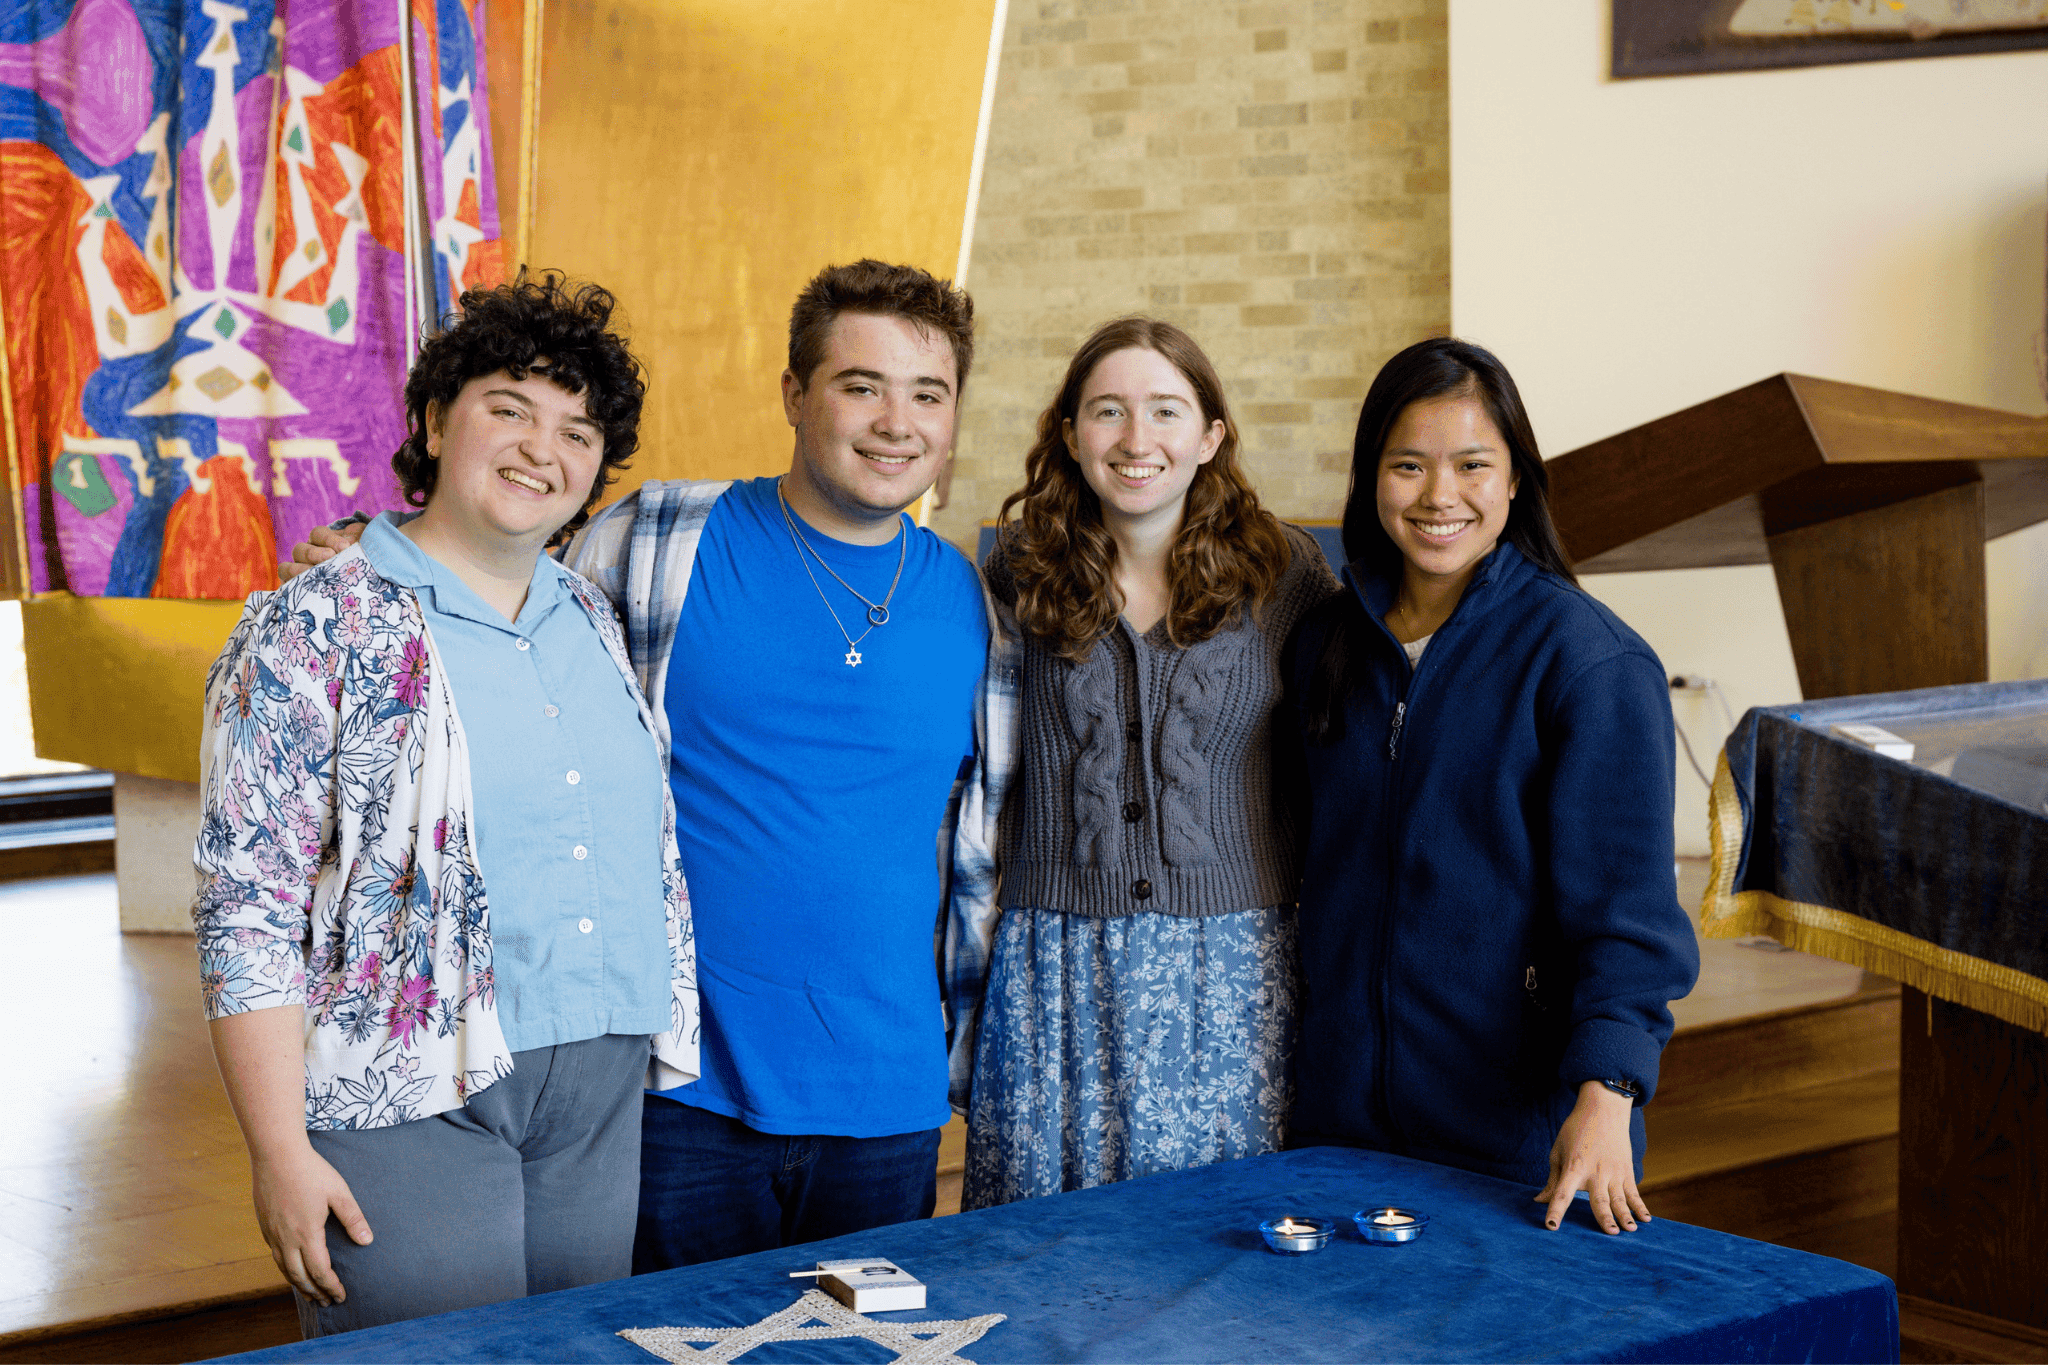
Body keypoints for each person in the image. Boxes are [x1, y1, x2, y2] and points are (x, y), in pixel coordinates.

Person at [291, 260, 1002, 1270]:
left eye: (926, 394)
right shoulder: (657, 538)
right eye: (861, 385)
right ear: (796, 395)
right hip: (671, 1083)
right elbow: (491, 611)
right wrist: (366, 575)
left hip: (886, 1096)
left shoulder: (981, 608)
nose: (896, 421)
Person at [196, 275, 699, 1337]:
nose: (541, 449)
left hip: (596, 1090)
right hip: (404, 1094)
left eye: (576, 429)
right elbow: (246, 903)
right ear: (434, 419)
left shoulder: (591, 615)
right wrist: (279, 1151)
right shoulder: (314, 623)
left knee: (576, 1361)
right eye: (508, 408)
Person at [1279, 337, 1700, 1235]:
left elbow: (1627, 919)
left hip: (1513, 1142)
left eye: (1473, 465)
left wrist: (1610, 1089)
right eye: (1408, 466)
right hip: (1333, 1127)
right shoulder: (1325, 642)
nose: (1440, 496)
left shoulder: (1589, 662)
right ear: (1371, 477)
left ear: (1516, 481)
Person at [958, 318, 1338, 1210]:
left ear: (1210, 437)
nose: (1137, 440)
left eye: (1167, 411)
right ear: (1069, 433)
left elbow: (1345, 749)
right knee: (1042, 1243)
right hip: (1056, 962)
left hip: (1235, 966)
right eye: (1109, 411)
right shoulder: (1015, 571)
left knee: (1219, 1242)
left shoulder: (1285, 572)